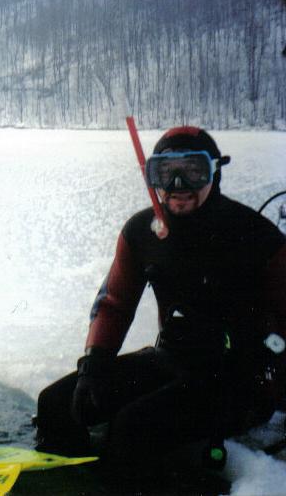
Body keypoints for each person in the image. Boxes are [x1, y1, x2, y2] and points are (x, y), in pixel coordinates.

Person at [34, 126, 286, 487]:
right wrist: (95, 364)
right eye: (166, 173)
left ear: (215, 172)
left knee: (132, 429)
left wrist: (260, 359)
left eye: (194, 171)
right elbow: (114, 304)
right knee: (58, 404)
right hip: (170, 359)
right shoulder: (143, 233)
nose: (179, 185)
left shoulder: (254, 235)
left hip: (239, 378)